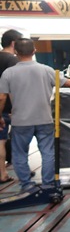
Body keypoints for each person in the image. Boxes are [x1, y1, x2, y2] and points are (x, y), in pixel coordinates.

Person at [0, 38, 70, 192]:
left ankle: (27, 186)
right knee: (47, 152)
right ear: (34, 51)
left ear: (15, 52)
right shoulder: (46, 70)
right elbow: (69, 83)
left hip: (21, 122)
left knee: (20, 154)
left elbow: (2, 98)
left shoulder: (8, 73)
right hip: (44, 119)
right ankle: (48, 184)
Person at [0, 29, 22, 183]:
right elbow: (14, 88)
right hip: (6, 109)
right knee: (17, 140)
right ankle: (8, 173)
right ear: (14, 43)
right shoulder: (12, 61)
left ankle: (2, 173)